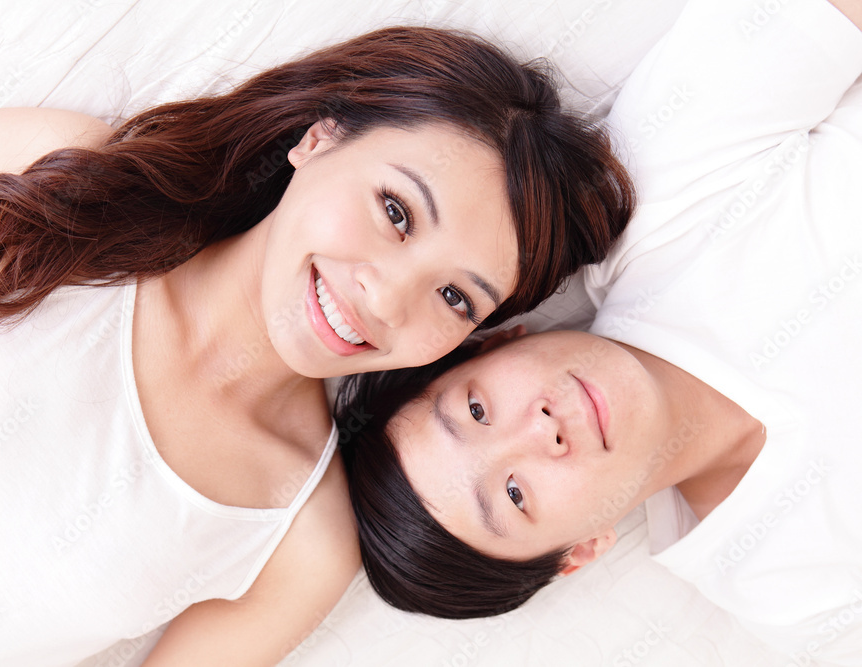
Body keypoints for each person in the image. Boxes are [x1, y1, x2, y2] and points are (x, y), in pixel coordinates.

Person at [0, 25, 633, 667]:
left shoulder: (299, 537)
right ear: (318, 138)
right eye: (396, 211)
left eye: (456, 295)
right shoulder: (69, 183)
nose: (385, 296)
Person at [337, 1, 862, 665]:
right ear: (580, 552)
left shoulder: (654, 189)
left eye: (476, 409)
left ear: (497, 341)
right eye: (516, 494)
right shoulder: (791, 597)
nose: (541, 431)